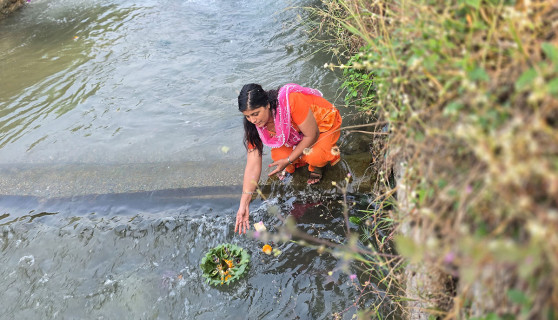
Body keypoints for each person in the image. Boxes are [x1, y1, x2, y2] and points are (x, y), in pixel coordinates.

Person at [234, 83, 342, 234]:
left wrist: (290, 160)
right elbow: (252, 164)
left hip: (321, 125)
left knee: (315, 156)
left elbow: (312, 135)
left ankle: (317, 165)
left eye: (256, 113)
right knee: (279, 157)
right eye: (247, 116)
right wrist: (243, 204)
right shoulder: (253, 124)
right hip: (297, 134)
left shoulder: (291, 100)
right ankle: (298, 158)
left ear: (267, 105)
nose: (253, 120)